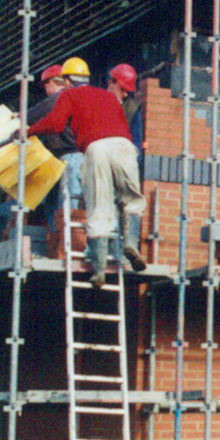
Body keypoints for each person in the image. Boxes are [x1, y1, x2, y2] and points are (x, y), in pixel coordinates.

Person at [28, 62, 146, 286]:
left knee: (98, 207)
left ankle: (99, 268)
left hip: (95, 149)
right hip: (124, 147)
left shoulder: (69, 96)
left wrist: (27, 130)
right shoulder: (108, 98)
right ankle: (130, 242)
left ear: (68, 82)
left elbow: (54, 123)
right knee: (132, 200)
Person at [30, 64, 82, 221]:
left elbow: (32, 116)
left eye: (46, 86)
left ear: (51, 83)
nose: (45, 91)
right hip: (74, 157)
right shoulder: (75, 97)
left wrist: (17, 117)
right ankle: (58, 240)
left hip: (69, 157)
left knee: (68, 205)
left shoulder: (57, 98)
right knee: (61, 202)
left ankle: (66, 241)